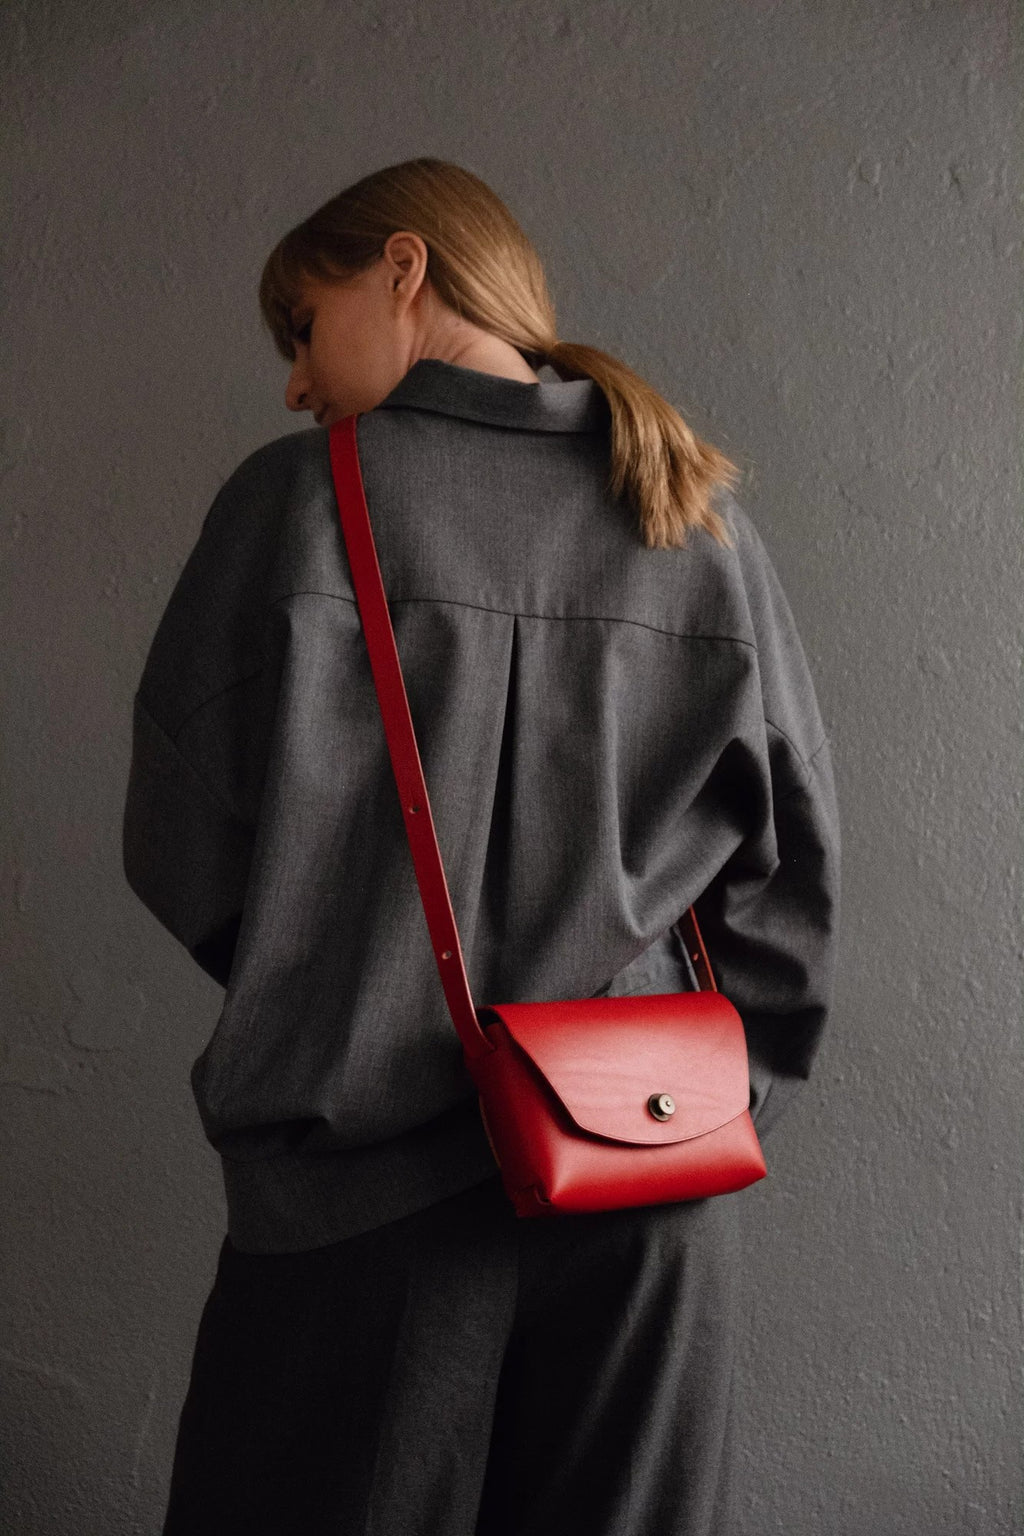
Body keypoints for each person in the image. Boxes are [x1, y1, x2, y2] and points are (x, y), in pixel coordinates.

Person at [122, 157, 841, 1536]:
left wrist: (336, 981)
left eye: (303, 324)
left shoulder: (296, 508)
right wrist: (691, 1100)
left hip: (354, 1212)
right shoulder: (693, 522)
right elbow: (790, 878)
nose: (294, 379)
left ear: (403, 269)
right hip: (645, 1199)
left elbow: (184, 844)